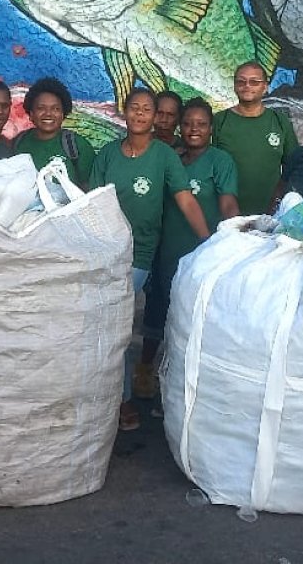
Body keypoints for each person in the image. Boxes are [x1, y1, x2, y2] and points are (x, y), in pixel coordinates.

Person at [89, 86, 210, 432]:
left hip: (139, 254)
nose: (140, 114)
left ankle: (124, 399)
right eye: (134, 108)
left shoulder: (165, 157)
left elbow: (186, 200)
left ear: (156, 117)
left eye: (147, 110)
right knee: (103, 325)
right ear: (123, 112)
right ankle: (101, 396)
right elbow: (92, 203)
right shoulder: (107, 154)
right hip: (104, 252)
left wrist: (208, 242)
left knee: (119, 325)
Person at [134, 97, 238, 404]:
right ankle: (144, 372)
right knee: (157, 312)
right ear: (181, 126)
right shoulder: (168, 156)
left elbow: (228, 202)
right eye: (189, 123)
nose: (194, 129)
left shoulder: (220, 161)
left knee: (191, 320)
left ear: (210, 129)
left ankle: (181, 388)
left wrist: (233, 232)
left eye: (201, 124)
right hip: (165, 252)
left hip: (200, 255)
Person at [212, 61, 297, 216]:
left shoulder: (279, 121)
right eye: (241, 81)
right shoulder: (220, 120)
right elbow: (211, 166)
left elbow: (292, 166)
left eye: (254, 82)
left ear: (265, 86)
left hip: (270, 214)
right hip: (227, 214)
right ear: (234, 86)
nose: (247, 86)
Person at [13, 77, 94, 187]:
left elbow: (91, 190)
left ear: (63, 114)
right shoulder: (19, 142)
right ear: (31, 114)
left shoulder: (76, 145)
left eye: (55, 109)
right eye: (41, 108)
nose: (48, 114)